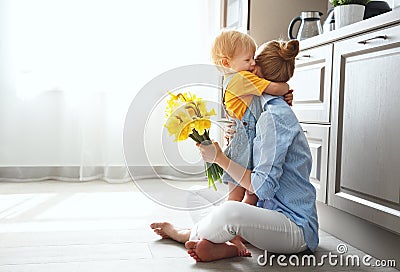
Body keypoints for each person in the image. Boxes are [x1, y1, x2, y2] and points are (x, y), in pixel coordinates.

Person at [150, 39, 319, 262]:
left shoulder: (274, 117)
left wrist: (219, 158)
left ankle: (186, 234)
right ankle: (225, 245)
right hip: (267, 216)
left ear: (256, 73)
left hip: (295, 228)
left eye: (251, 62)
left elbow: (263, 188)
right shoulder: (261, 111)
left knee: (229, 211)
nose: (246, 68)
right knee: (197, 194)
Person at [210, 30, 293, 255]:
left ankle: (233, 236)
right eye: (248, 59)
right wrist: (285, 87)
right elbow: (275, 88)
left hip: (243, 143)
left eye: (253, 58)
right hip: (245, 146)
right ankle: (230, 236)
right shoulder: (242, 78)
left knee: (238, 196)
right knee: (247, 195)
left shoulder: (230, 80)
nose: (253, 62)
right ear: (227, 62)